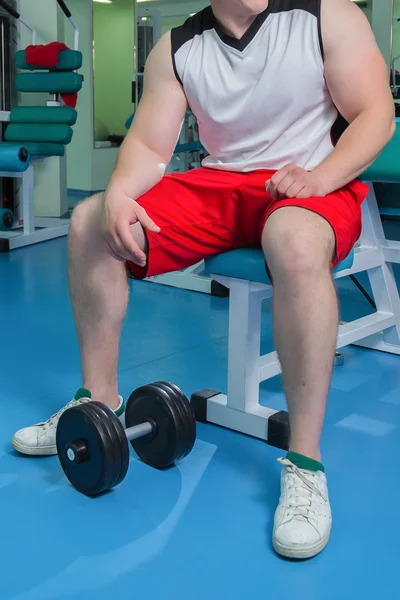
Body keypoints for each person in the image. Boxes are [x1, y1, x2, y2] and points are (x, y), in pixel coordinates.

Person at [13, 0, 394, 559]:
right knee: (89, 223)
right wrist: (119, 194)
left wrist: (319, 178)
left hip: (310, 178)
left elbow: (375, 115)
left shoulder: (325, 14)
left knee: (292, 241)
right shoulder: (179, 45)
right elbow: (148, 146)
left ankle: (306, 464)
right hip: (219, 184)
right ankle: (98, 404)